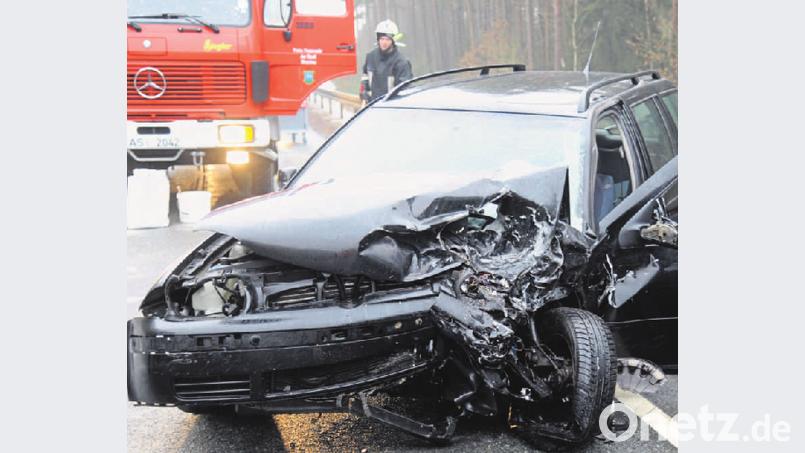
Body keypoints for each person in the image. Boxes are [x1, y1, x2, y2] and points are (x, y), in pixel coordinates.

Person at [360, 20, 413, 103]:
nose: (384, 42)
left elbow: (404, 88)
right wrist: (364, 91)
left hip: (391, 108)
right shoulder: (370, 57)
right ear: (378, 39)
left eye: (387, 39)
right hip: (372, 106)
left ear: (393, 40)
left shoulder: (401, 62)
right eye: (382, 39)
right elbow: (365, 77)